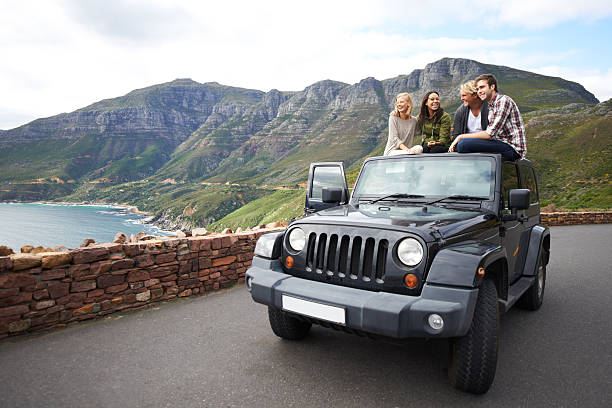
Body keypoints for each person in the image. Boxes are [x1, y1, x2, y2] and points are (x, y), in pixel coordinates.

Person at [449, 74, 526, 160]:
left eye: (482, 87)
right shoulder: (491, 106)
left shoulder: (503, 101)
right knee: (460, 146)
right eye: (478, 89)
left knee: (463, 143)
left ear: (492, 87)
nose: (479, 91)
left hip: (512, 148)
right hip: (499, 143)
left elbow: (490, 134)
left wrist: (461, 136)